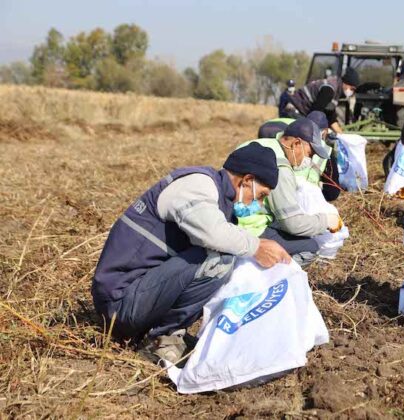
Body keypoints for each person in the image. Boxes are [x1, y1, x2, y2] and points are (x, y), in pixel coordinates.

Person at [92, 143, 291, 365]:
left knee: (226, 258)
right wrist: (256, 247)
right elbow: (211, 233)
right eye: (261, 195)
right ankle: (159, 340)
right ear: (247, 181)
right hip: (120, 301)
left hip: (140, 294)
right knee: (218, 261)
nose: (259, 204)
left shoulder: (217, 197)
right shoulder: (198, 185)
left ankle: (170, 332)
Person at [238, 118, 344, 265]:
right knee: (310, 248)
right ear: (296, 144)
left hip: (229, 219)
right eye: (310, 153)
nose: (309, 160)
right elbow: (293, 224)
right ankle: (271, 275)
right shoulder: (280, 167)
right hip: (248, 228)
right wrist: (326, 221)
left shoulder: (260, 144)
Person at [255, 111, 341, 202]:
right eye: (310, 154)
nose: (311, 158)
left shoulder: (283, 139)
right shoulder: (325, 150)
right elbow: (332, 192)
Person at [289, 68, 360, 133]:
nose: (351, 92)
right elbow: (316, 111)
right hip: (295, 109)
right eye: (351, 88)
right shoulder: (329, 89)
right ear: (345, 83)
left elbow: (330, 113)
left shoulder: (336, 92)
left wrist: (340, 133)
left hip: (302, 111)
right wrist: (324, 129)